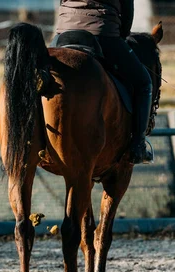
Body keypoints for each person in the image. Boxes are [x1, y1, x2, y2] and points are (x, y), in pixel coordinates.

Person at [55, 0, 153, 164]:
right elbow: (127, 12)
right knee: (144, 83)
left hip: (64, 31)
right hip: (103, 32)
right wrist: (121, 36)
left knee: (39, 74)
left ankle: (29, 138)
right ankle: (138, 145)